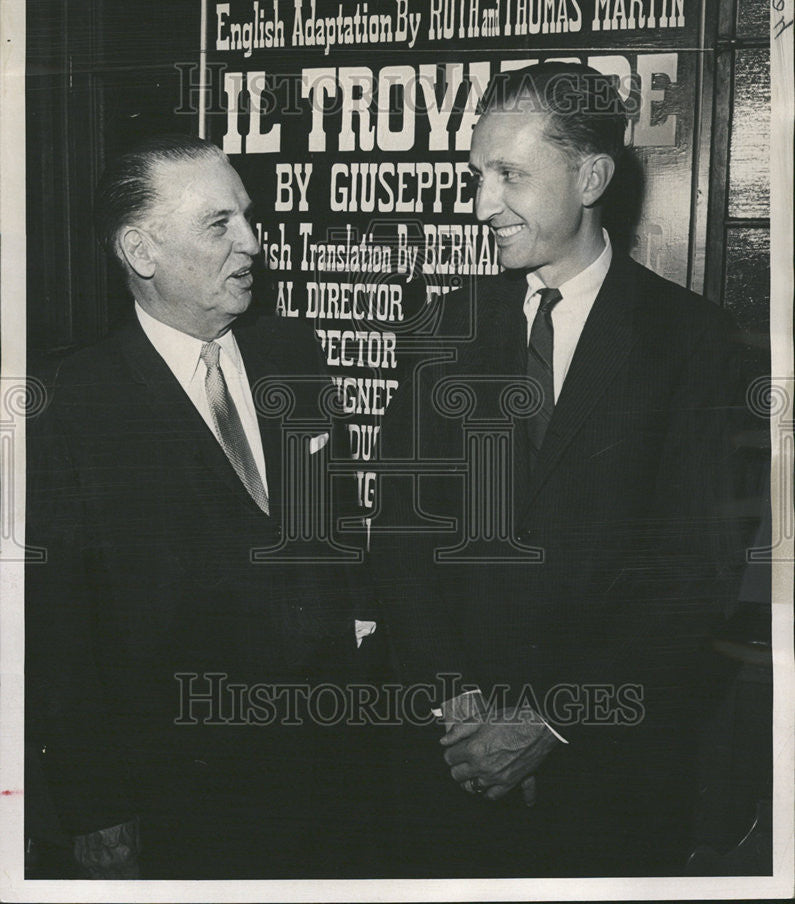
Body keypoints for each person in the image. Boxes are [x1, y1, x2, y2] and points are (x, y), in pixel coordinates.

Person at [372, 62, 760, 876]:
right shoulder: (438, 330)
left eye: (509, 175)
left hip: (611, 773)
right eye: (477, 175)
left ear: (589, 177)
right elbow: (401, 542)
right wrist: (462, 706)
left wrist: (545, 723)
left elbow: (693, 579)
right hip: (449, 763)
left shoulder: (695, 343)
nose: (481, 204)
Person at [25, 136, 380, 878]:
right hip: (180, 797)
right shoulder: (68, 407)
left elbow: (333, 542)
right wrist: (96, 803)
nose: (253, 243)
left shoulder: (291, 352)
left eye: (246, 217)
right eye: (219, 224)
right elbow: (56, 628)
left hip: (334, 778)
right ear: (140, 251)